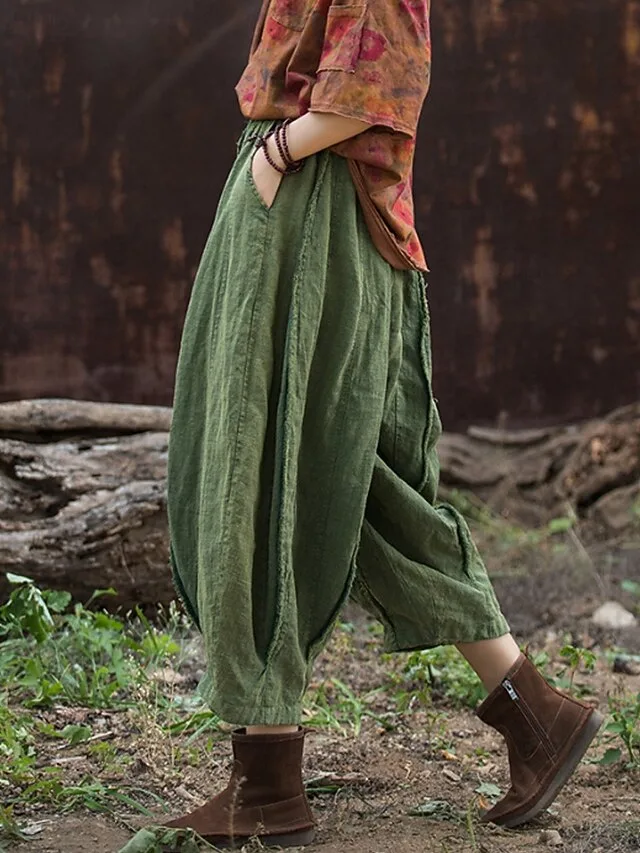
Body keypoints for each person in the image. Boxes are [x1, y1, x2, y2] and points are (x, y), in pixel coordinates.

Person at [165, 0, 603, 847]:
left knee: (276, 460)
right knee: (356, 476)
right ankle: (535, 714)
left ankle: (269, 783)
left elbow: (371, 92)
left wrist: (277, 156)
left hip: (319, 213)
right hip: (300, 204)